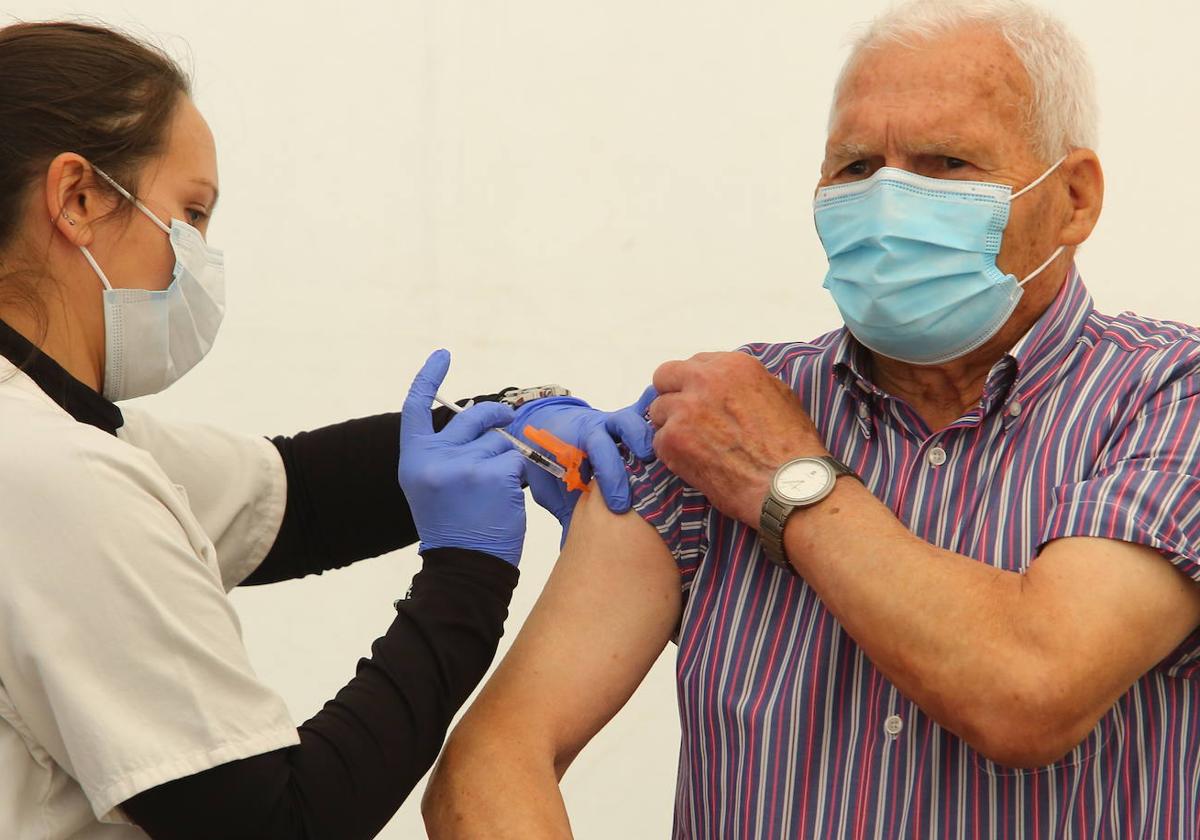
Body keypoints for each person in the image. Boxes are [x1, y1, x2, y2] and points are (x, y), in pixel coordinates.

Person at [424, 1, 1200, 837]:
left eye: (947, 163)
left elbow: (1030, 693)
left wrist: (781, 478)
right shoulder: (716, 413)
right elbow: (496, 755)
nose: (892, 203)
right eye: (857, 167)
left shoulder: (1166, 396)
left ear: (1075, 198)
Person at [0, 21, 652, 840]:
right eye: (189, 213)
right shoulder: (51, 475)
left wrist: (512, 417)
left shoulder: (67, 436)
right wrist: (466, 576)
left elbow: (293, 496)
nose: (199, 254)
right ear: (78, 199)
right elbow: (285, 822)